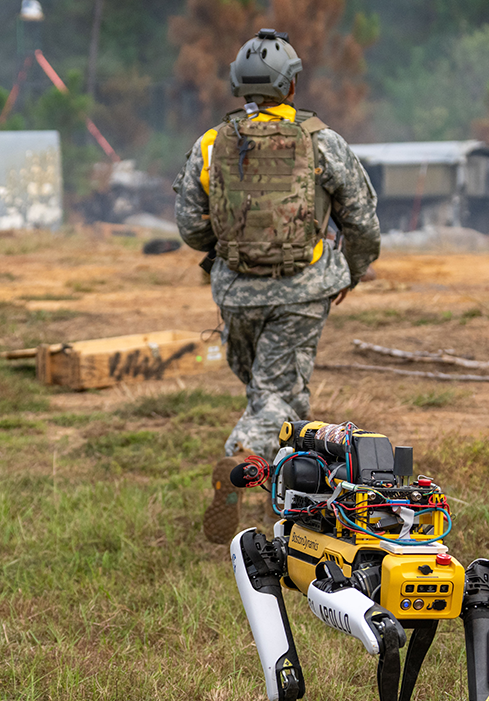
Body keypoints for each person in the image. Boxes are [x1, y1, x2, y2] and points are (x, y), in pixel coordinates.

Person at [174, 28, 381, 544]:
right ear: (291, 87)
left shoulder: (210, 143)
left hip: (236, 293)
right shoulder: (321, 141)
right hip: (302, 289)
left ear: (238, 85)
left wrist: (225, 252)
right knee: (275, 398)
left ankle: (293, 500)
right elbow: (362, 220)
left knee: (274, 393)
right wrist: (348, 271)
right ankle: (242, 460)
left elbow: (189, 224)